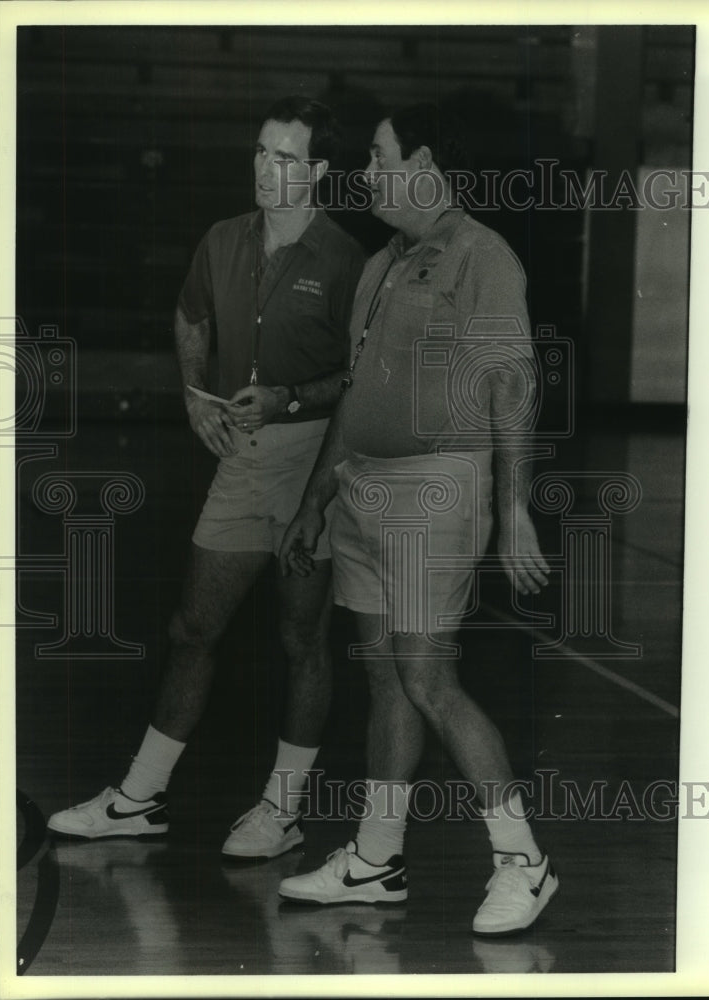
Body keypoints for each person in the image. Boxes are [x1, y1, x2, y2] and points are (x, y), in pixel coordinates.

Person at [47, 97, 365, 860]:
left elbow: (361, 376)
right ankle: (139, 798)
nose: (265, 168)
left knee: (302, 638)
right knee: (194, 628)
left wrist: (290, 398)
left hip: (318, 460)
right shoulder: (222, 239)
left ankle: (282, 812)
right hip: (244, 462)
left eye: (284, 157)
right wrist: (194, 394)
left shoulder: (347, 260)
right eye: (259, 151)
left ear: (318, 170)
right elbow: (190, 315)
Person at [276, 103, 557, 936]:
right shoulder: (379, 266)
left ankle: (523, 863)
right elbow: (358, 395)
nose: (366, 171)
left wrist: (513, 510)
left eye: (378, 155)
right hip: (361, 489)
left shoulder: (481, 256)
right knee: (383, 675)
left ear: (424, 162)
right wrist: (316, 499)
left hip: (438, 487)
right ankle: (375, 860)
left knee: (426, 676)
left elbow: (512, 384)